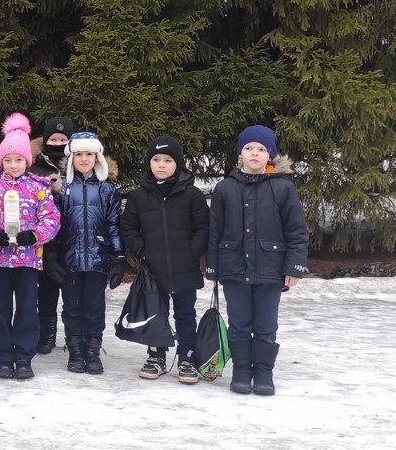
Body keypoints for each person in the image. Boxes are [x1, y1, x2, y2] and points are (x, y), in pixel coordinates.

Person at [207, 125, 308, 396]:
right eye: (249, 148)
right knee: (239, 322)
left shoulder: (283, 189)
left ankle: (264, 372)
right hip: (233, 268)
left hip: (271, 269)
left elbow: (296, 230)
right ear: (240, 153)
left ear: (270, 156)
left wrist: (294, 266)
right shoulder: (224, 188)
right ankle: (241, 370)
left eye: (261, 149)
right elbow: (215, 230)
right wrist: (213, 266)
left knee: (265, 324)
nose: (255, 153)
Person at [119, 136, 209, 383]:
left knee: (185, 314)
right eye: (156, 159)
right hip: (153, 268)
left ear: (177, 164)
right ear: (149, 163)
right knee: (156, 312)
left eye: (167, 160)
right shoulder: (139, 197)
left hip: (185, 267)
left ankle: (187, 357)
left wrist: (192, 251)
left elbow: (204, 227)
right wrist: (142, 250)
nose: (161, 165)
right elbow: (128, 227)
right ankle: (156, 356)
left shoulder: (193, 195)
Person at [0, 113, 61, 380]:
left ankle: (24, 357)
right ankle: (4, 357)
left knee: (27, 310)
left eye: (18, 160)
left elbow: (51, 218)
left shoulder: (38, 187)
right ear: (1, 161)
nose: (13, 165)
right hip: (0, 260)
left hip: (28, 260)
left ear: (27, 160)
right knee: (0, 309)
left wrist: (35, 235)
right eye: (8, 159)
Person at [56, 132, 122, 375]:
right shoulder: (62, 189)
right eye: (79, 154)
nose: (84, 159)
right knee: (72, 307)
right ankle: (75, 351)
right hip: (70, 258)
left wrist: (118, 257)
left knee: (95, 308)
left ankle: (92, 352)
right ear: (71, 157)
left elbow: (114, 225)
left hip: (97, 259)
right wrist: (53, 256)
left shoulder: (107, 190)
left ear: (98, 157)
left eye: (89, 154)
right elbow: (54, 225)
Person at [28, 116, 74, 354]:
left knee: (72, 290)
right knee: (45, 289)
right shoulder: (35, 167)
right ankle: (46, 333)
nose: (57, 143)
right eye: (53, 139)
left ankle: (74, 335)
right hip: (46, 239)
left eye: (63, 139)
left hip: (74, 236)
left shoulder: (80, 163)